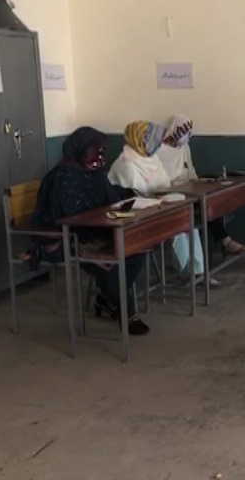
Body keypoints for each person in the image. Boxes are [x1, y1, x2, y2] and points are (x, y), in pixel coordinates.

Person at [31, 127, 150, 335]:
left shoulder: (95, 175)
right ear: (80, 150)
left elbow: (110, 201)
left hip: (96, 231)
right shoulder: (61, 178)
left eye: (102, 152)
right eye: (95, 151)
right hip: (69, 238)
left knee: (137, 249)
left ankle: (108, 297)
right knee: (112, 263)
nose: (100, 157)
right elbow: (64, 219)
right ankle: (126, 312)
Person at [108, 120, 217, 286]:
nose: (157, 144)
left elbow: (164, 183)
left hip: (159, 207)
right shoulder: (126, 164)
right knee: (178, 228)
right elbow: (136, 195)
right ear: (141, 140)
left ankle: (199, 271)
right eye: (153, 140)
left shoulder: (150, 158)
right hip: (139, 217)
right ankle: (188, 274)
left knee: (189, 224)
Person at [158, 114, 245, 256]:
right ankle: (225, 242)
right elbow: (161, 182)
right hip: (172, 196)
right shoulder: (158, 151)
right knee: (205, 205)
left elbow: (190, 171)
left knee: (211, 201)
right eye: (184, 131)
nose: (187, 136)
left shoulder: (184, 148)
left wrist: (198, 181)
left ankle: (224, 241)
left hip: (191, 191)